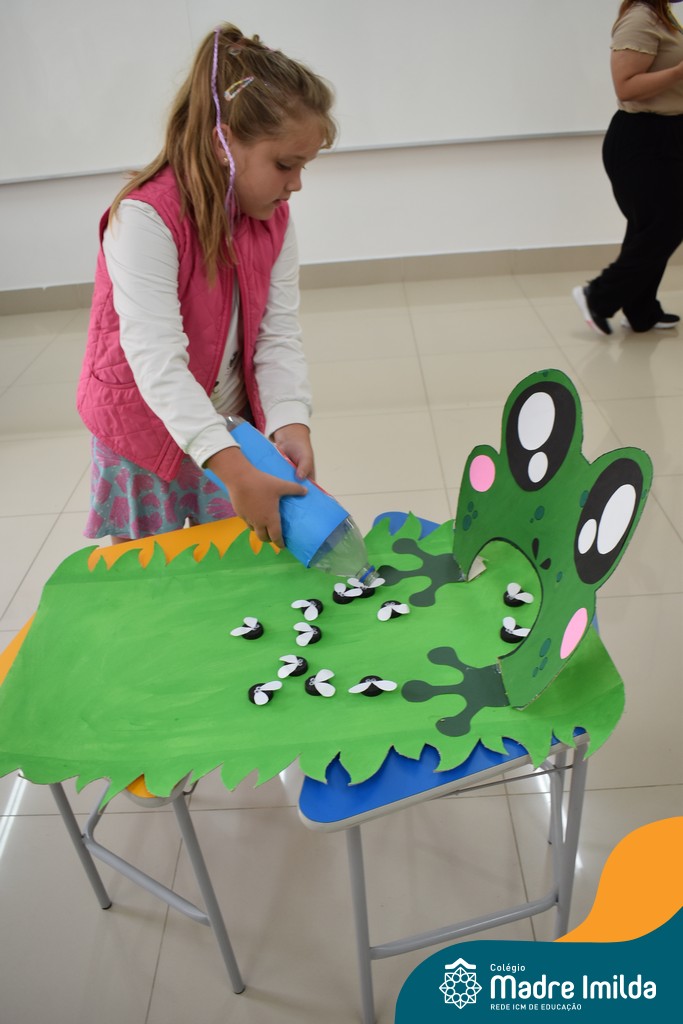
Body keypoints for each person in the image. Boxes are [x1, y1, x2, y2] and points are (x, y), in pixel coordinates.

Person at [77, 24, 336, 547]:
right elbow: (157, 361)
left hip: (230, 425)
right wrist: (232, 469)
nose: (296, 184)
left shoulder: (274, 219)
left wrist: (289, 420)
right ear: (224, 142)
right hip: (145, 433)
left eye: (303, 166)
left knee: (234, 567)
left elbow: (276, 334)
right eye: (285, 165)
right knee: (152, 571)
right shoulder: (144, 220)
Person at [573, 0, 683, 335]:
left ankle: (640, 310)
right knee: (665, 225)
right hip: (642, 138)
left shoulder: (661, 15)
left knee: (650, 226)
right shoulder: (639, 18)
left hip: (668, 134)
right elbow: (626, 86)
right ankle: (597, 296)